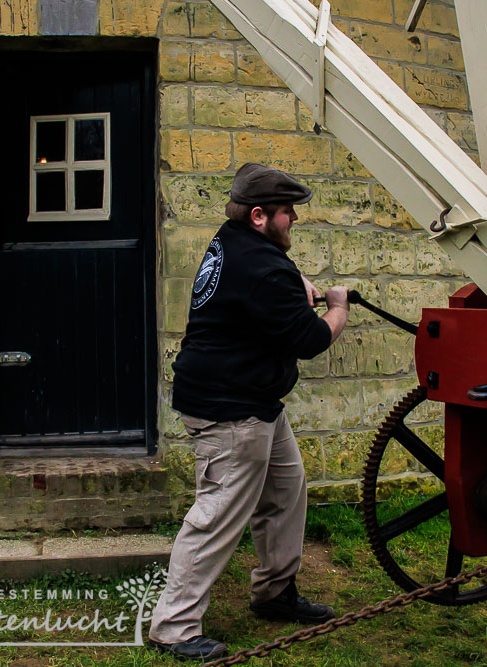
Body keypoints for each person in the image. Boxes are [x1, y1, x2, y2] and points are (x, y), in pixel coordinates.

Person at [149, 163, 351, 661]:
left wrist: (296, 280)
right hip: (231, 409)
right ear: (259, 215)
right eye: (288, 213)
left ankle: (274, 591)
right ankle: (173, 626)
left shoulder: (231, 239)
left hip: (253, 400)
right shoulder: (266, 268)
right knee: (217, 514)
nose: (293, 222)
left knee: (285, 489)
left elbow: (267, 276)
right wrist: (339, 307)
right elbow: (308, 339)